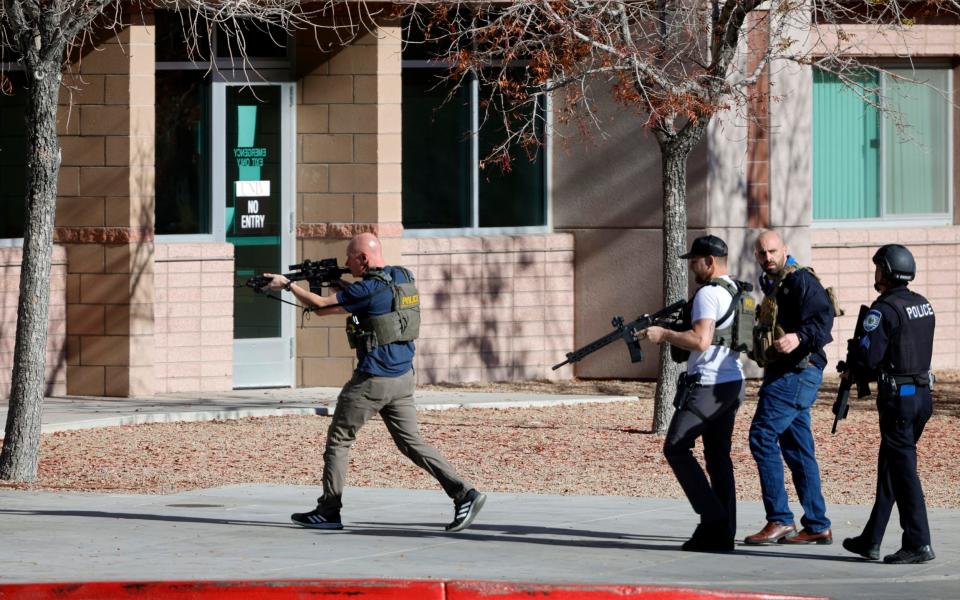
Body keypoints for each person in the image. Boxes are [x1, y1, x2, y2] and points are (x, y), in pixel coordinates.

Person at [263, 232, 486, 532]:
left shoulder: (367, 289)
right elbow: (363, 311)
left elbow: (320, 307)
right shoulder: (401, 277)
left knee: (339, 439)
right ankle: (465, 494)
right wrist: (344, 288)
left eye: (349, 258)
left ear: (363, 259)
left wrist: (288, 285)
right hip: (403, 378)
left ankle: (329, 510)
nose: (346, 262)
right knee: (412, 443)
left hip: (373, 379)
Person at [638, 234, 745, 552]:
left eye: (695, 261)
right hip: (732, 382)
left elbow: (700, 340)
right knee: (717, 457)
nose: (692, 267)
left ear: (710, 262)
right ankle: (723, 534)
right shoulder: (736, 290)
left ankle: (713, 520)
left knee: (676, 447)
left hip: (709, 385)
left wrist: (664, 334)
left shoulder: (708, 294)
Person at [841, 244, 936, 564]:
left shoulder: (884, 310)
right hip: (922, 395)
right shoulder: (923, 305)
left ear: (887, 271)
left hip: (899, 402)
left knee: (904, 470)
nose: (876, 273)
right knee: (892, 467)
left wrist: (856, 358)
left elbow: (869, 357)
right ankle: (872, 538)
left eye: (878, 267)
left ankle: (918, 542)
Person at [744, 229, 834, 546]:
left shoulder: (800, 280)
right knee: (797, 448)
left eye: (772, 251)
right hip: (786, 371)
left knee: (762, 435)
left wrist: (798, 337)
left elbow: (823, 319)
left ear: (784, 249)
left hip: (797, 372)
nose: (767, 258)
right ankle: (817, 524)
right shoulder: (774, 283)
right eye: (761, 253)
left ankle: (780, 520)